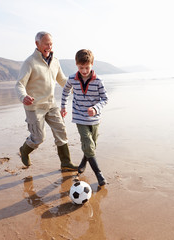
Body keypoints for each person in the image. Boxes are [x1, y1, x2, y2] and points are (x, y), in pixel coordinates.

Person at [15, 31, 78, 171]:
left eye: (51, 44)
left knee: (61, 131)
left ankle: (66, 162)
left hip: (51, 104)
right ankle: (24, 150)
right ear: (37, 44)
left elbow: (62, 80)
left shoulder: (55, 61)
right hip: (34, 106)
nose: (49, 47)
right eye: (46, 44)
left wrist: (77, 90)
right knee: (39, 137)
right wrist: (23, 96)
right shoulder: (29, 62)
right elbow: (19, 84)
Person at [60, 49, 108, 186]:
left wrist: (95, 108)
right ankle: (99, 174)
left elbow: (105, 99)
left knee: (91, 145)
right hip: (79, 117)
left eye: (87, 67)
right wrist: (63, 106)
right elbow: (65, 91)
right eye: (81, 68)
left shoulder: (98, 81)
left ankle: (83, 162)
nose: (84, 71)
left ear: (92, 65)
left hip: (95, 119)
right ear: (76, 65)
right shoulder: (72, 79)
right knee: (88, 143)